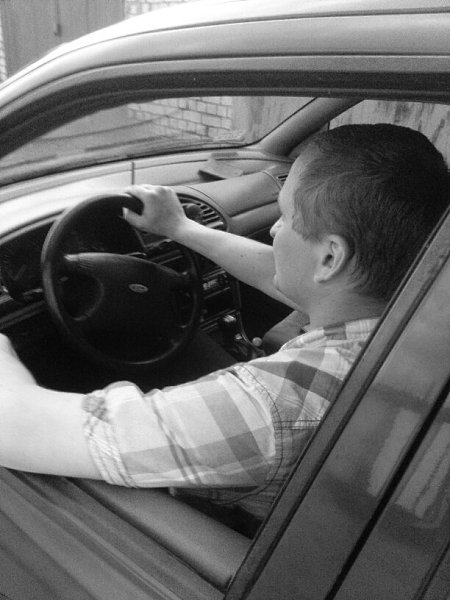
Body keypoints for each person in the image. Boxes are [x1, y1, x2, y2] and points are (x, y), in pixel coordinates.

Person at [0, 124, 448, 531]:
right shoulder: (420, 310)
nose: (273, 230)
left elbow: (20, 429)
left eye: (285, 216)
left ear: (330, 257)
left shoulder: (273, 406)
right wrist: (180, 228)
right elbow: (291, 276)